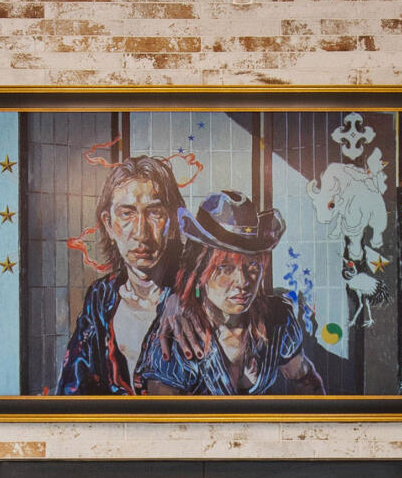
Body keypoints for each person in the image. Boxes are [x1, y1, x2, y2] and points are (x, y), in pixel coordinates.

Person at [136, 192, 324, 395]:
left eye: (252, 266)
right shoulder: (180, 334)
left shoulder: (277, 320)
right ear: (200, 271)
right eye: (225, 267)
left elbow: (305, 380)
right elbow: (164, 419)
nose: (243, 282)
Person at [52, 156, 186, 395]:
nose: (141, 232)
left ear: (173, 221)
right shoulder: (100, 298)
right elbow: (73, 387)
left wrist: (187, 296)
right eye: (127, 214)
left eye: (155, 212)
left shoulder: (195, 291)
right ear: (108, 224)